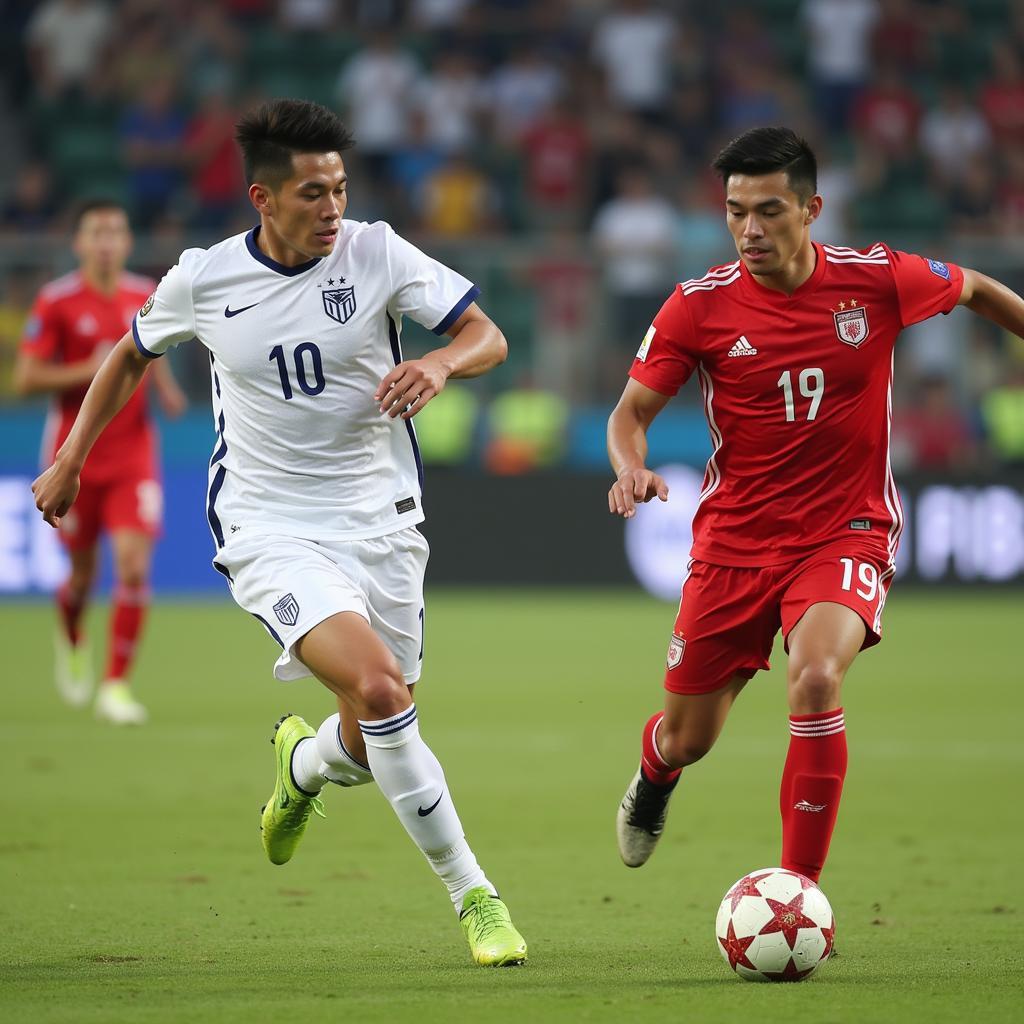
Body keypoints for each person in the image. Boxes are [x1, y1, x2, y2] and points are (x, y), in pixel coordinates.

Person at [31, 99, 527, 967]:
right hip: (268, 523)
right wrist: (72, 457)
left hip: (382, 517)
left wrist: (441, 361)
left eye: (339, 188)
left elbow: (488, 335)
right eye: (311, 193)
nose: (332, 207)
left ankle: (300, 770)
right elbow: (130, 354)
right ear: (262, 197)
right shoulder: (205, 278)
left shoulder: (377, 251)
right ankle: (476, 899)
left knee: (374, 732)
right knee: (382, 695)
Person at [607, 126, 1024, 886]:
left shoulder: (878, 279)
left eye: (768, 210)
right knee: (688, 737)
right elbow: (628, 415)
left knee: (817, 679)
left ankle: (799, 895)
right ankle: (656, 771)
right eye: (735, 212)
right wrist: (629, 468)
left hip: (846, 530)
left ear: (812, 210)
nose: (749, 229)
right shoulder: (696, 307)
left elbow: (975, 288)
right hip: (734, 543)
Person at [15, 199, 187, 724]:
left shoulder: (145, 295)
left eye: (116, 231)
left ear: (128, 242)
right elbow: (25, 380)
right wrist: (86, 370)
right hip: (75, 455)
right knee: (83, 576)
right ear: (79, 243)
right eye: (97, 232)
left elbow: (145, 352)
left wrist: (167, 388)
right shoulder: (57, 301)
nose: (107, 241)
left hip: (134, 453)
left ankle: (115, 685)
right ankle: (71, 634)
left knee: (134, 566)